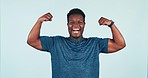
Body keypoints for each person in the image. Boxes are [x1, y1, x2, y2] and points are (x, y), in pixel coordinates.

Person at [27, 8, 126, 78]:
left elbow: (120, 44)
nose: (76, 25)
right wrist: (39, 21)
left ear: (84, 24)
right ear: (67, 25)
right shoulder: (56, 43)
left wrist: (111, 25)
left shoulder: (94, 44)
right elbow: (32, 41)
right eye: (71, 22)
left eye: (80, 22)